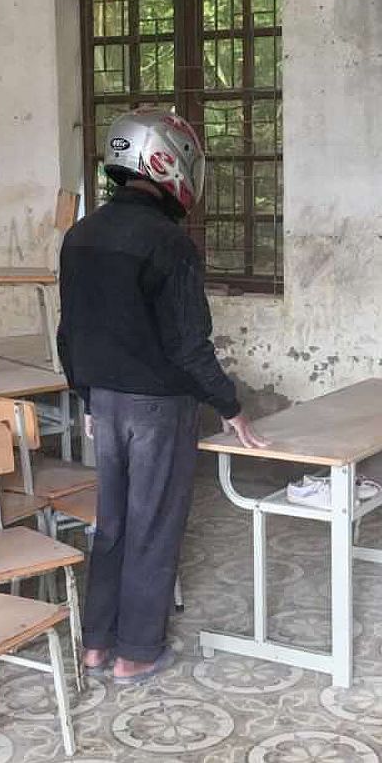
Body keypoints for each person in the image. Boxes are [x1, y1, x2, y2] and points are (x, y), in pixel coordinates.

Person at [57, 108, 268, 684]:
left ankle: (96, 644)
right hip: (157, 408)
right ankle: (137, 652)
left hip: (105, 403)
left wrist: (87, 398)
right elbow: (188, 344)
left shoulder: (80, 236)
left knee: (113, 525)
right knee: (153, 526)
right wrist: (230, 406)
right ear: (167, 162)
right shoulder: (168, 242)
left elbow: (70, 332)